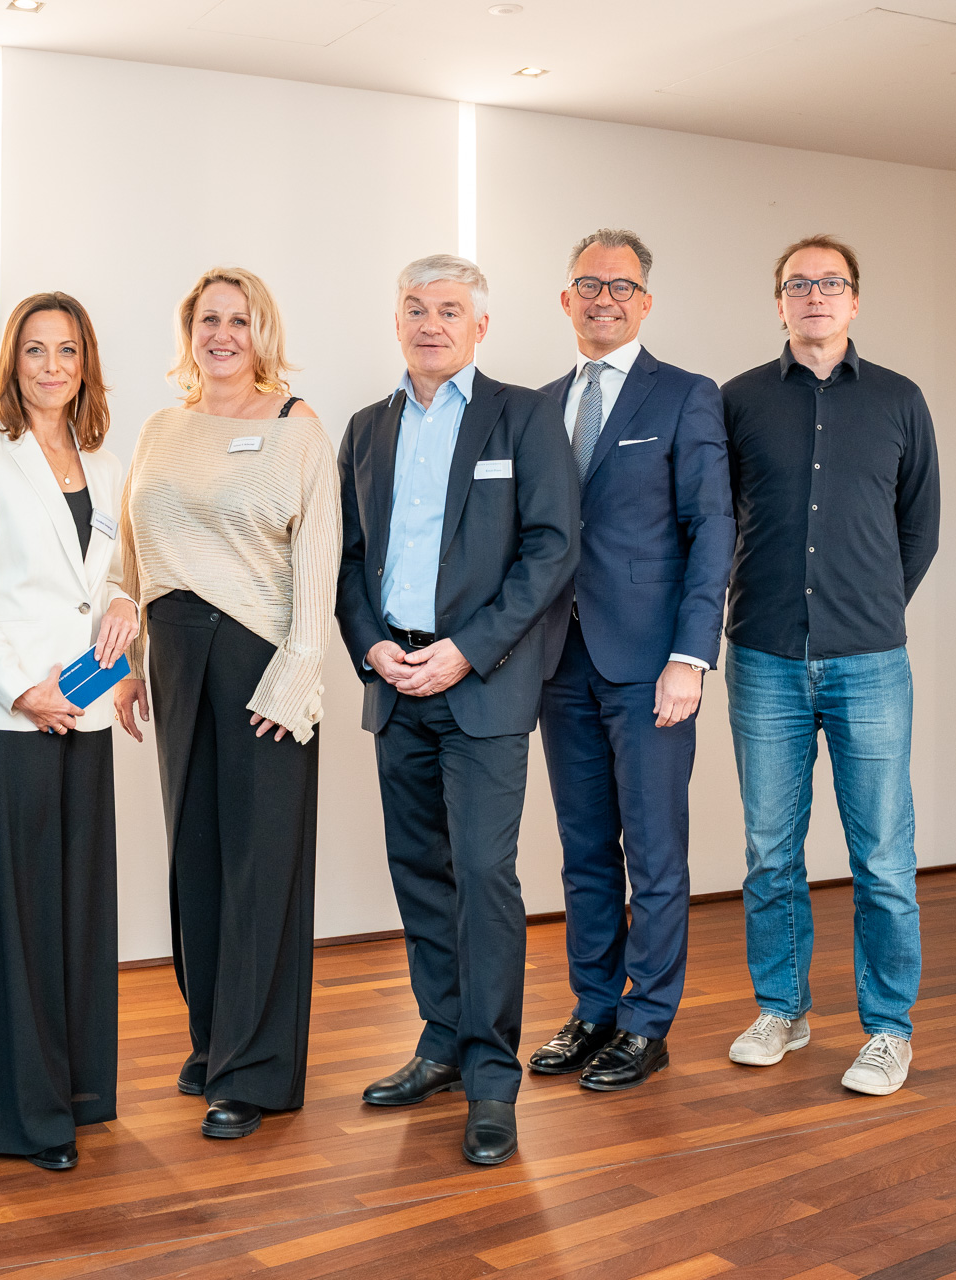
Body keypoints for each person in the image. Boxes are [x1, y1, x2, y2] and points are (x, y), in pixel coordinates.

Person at [337, 254, 578, 1165]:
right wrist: (371, 645)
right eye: (414, 308)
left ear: (481, 327)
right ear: (396, 321)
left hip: (481, 686)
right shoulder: (368, 428)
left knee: (484, 875)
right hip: (394, 685)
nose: (430, 323)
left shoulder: (524, 416)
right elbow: (351, 559)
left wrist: (467, 651)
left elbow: (552, 550)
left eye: (449, 310)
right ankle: (440, 1042)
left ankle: (491, 1076)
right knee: (421, 873)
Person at [110, 267, 341, 1141]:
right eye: (208, 319)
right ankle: (213, 1039)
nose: (222, 334)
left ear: (261, 331)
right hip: (173, 655)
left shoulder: (295, 426)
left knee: (261, 865)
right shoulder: (162, 428)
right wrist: (126, 662)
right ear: (189, 331)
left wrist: (298, 673)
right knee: (194, 858)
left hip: (261, 657)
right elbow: (129, 552)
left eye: (239, 320)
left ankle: (257, 1069)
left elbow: (320, 559)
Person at [720, 234, 940, 1097]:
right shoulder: (736, 401)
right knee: (771, 852)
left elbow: (918, 527)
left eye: (831, 283)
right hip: (764, 655)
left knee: (883, 854)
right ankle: (784, 1009)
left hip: (870, 661)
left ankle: (889, 1029)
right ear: (779, 302)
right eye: (797, 284)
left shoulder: (899, 399)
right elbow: (712, 519)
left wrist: (870, 603)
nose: (814, 295)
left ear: (855, 301)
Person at [0, 293, 136, 1173]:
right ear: (11, 363)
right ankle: (16, 1112)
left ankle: (77, 1089)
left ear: (86, 361)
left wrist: (126, 598)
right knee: (13, 921)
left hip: (85, 711)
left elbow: (113, 572)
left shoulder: (104, 455)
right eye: (34, 351)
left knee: (78, 912)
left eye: (67, 350)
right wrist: (24, 691)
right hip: (13, 722)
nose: (51, 366)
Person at [528, 230, 734, 1091]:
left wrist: (691, 655)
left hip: (651, 663)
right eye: (588, 284)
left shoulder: (686, 396)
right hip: (554, 661)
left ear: (645, 302)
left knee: (652, 850)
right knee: (582, 850)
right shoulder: (538, 406)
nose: (604, 298)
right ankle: (593, 1008)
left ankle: (647, 1021)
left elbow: (712, 527)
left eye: (622, 286)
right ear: (565, 300)